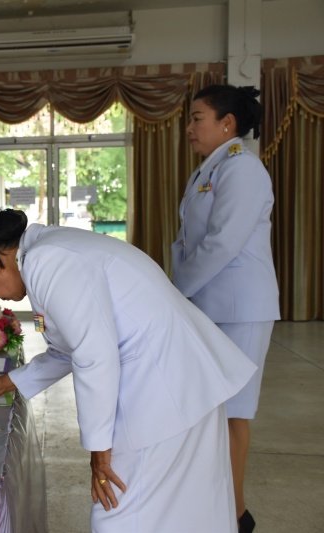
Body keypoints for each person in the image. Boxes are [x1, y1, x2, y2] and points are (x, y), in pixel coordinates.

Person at [0, 208, 257, 533]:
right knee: (189, 510)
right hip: (180, 382)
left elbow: (94, 355)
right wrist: (4, 383)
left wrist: (100, 450)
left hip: (165, 389)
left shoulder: (47, 261)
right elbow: (67, 348)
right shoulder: (44, 256)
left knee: (121, 511)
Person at [172, 84, 280, 532]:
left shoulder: (243, 169)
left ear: (227, 124)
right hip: (213, 305)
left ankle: (237, 515)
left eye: (198, 117)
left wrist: (175, 290)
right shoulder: (211, 169)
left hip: (239, 307)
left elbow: (221, 244)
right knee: (213, 410)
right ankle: (219, 504)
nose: (190, 127)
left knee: (234, 411)